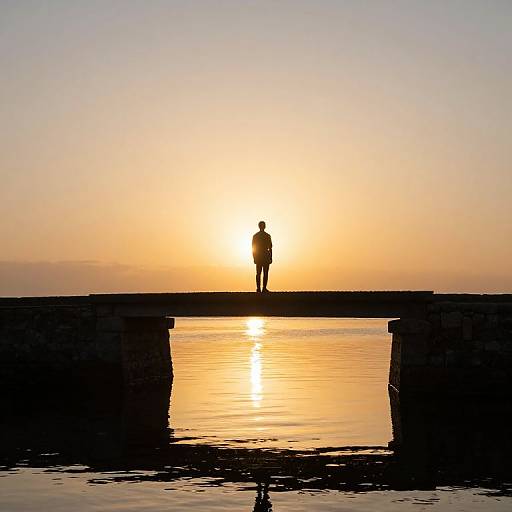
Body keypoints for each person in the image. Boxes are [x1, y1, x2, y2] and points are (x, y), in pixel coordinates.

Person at [252, 221, 272, 293]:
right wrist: (270, 257)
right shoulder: (267, 236)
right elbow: (270, 248)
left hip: (260, 256)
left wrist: (254, 257)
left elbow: (253, 248)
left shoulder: (256, 236)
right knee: (263, 273)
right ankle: (262, 288)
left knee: (259, 273)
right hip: (263, 255)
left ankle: (260, 289)